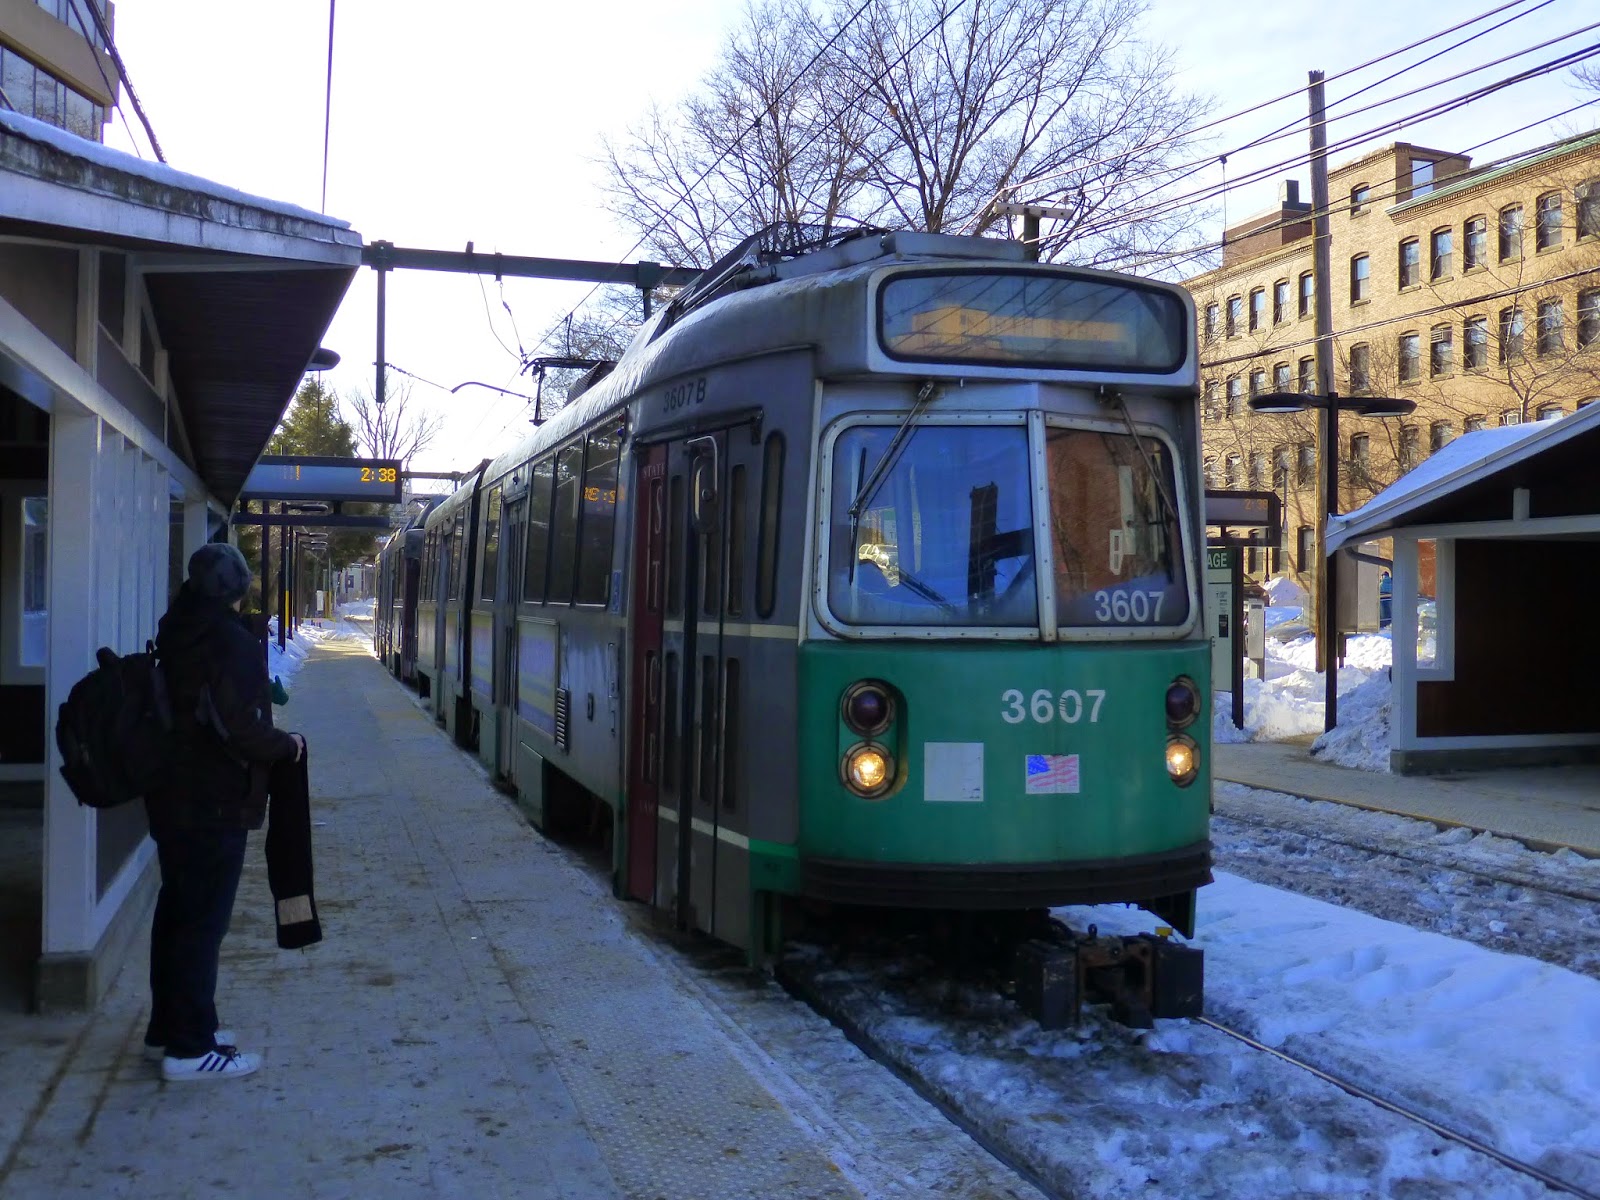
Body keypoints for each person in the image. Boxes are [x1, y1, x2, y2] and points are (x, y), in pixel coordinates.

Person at [141, 542, 305, 1082]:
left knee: (178, 914)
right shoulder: (226, 641)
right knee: (201, 925)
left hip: (174, 794)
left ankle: (174, 1028)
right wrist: (287, 745)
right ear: (237, 589)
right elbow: (240, 727)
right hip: (212, 799)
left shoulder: (179, 627)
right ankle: (190, 1050)